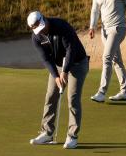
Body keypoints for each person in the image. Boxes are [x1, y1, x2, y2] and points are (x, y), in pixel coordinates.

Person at [27, 10, 90, 148]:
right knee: (51, 96)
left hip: (78, 63)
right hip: (58, 66)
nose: (41, 31)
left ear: (44, 20)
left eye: (42, 27)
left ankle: (72, 136)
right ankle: (47, 132)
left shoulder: (61, 26)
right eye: (38, 30)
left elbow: (70, 49)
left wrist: (65, 71)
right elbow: (46, 59)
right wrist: (56, 76)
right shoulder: (37, 37)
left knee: (72, 98)